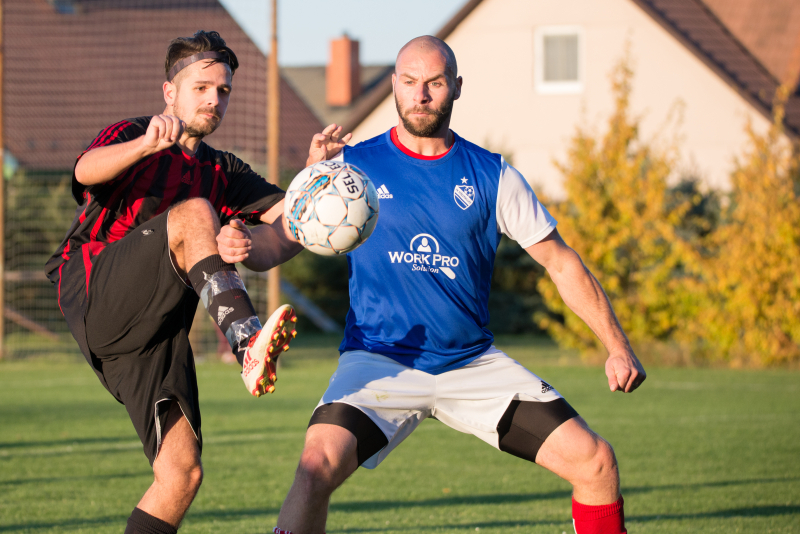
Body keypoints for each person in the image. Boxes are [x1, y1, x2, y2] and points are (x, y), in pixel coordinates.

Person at [274, 36, 646, 534]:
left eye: (434, 82)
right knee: (315, 465)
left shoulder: (493, 176)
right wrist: (243, 240)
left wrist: (617, 346)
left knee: (595, 461)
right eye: (409, 82)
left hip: (472, 365)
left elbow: (560, 263)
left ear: (457, 87)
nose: (421, 94)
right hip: (379, 361)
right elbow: (279, 240)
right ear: (394, 85)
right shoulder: (349, 168)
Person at [45, 31, 302, 534]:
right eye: (201, 88)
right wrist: (144, 144)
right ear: (170, 92)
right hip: (95, 293)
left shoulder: (225, 171)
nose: (214, 99)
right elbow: (85, 170)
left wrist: (317, 183)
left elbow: (290, 227)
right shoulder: (133, 132)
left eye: (223, 90)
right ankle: (246, 343)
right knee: (196, 213)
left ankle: (246, 347)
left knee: (181, 474)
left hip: (156, 331)